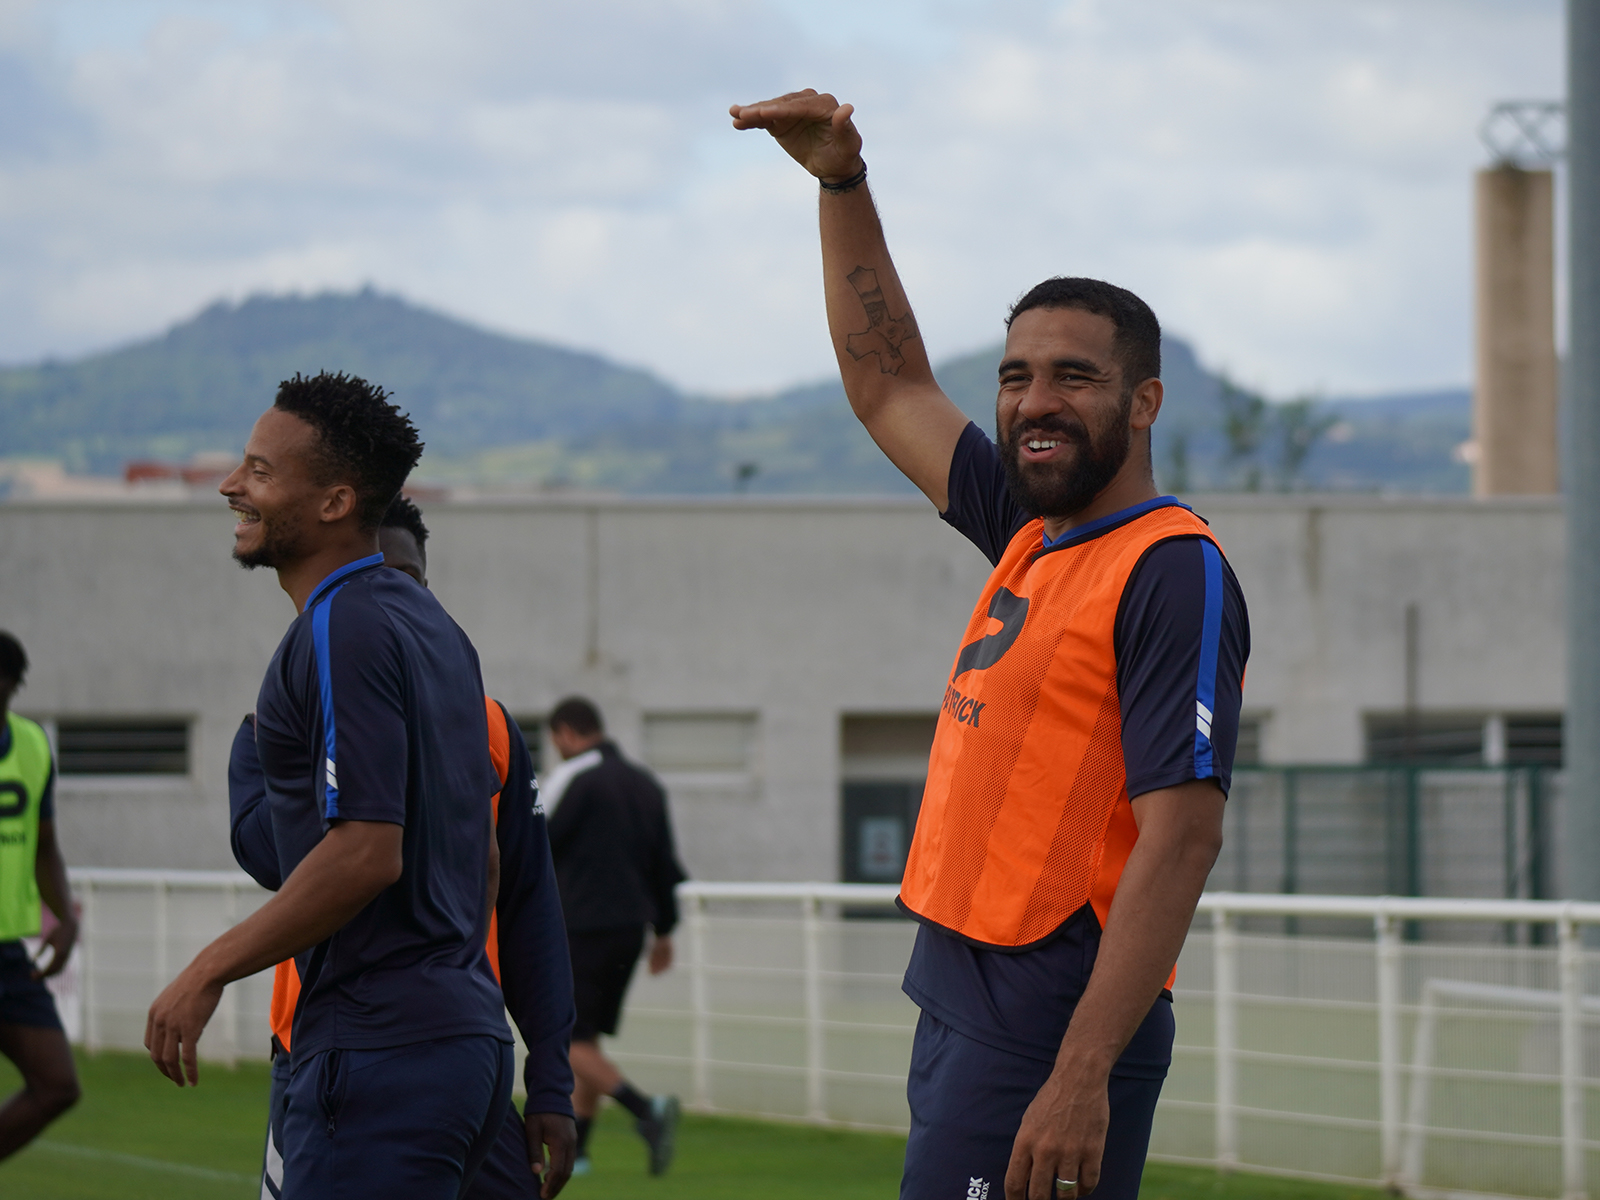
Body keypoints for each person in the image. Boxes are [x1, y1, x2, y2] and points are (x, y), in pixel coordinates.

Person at [732, 92, 1249, 1200]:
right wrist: (840, 183)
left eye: (1073, 376)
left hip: (1050, 1021)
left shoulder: (1171, 567)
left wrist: (1081, 1072)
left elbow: (1183, 838)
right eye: (1016, 376)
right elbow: (889, 386)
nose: (1034, 401)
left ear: (1144, 402)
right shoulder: (1033, 529)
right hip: (960, 994)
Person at [145, 371, 514, 1198]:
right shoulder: (437, 628)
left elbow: (366, 854)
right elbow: (482, 857)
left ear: (336, 502)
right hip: (462, 1043)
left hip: (381, 1055)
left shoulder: (341, 623)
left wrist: (206, 969)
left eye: (259, 471)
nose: (230, 485)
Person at [230, 496, 578, 1200]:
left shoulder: (489, 727)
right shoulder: (279, 724)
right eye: (369, 581)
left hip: (454, 1041)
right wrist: (324, 761)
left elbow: (530, 906)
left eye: (406, 580)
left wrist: (551, 1078)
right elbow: (271, 858)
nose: (383, 601)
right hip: (327, 1048)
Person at [543, 697, 686, 1176]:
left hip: (581, 926)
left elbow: (538, 844)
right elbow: (664, 863)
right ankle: (579, 1151)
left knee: (565, 1036)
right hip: (630, 931)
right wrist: (664, 930)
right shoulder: (645, 784)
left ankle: (646, 1111)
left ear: (565, 733)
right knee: (586, 1038)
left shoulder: (574, 778)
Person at [0, 631, 81, 1160]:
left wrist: (65, 920)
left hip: (8, 954)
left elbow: (44, 845)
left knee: (57, 1085)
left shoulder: (31, 745)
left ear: (11, 686)